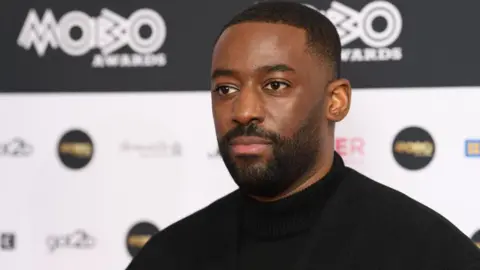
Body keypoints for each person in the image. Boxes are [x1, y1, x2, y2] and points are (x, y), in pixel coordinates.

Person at [126, 1, 480, 269]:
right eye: (226, 89)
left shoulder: (427, 252)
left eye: (275, 85)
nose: (243, 110)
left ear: (336, 101)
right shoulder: (167, 256)